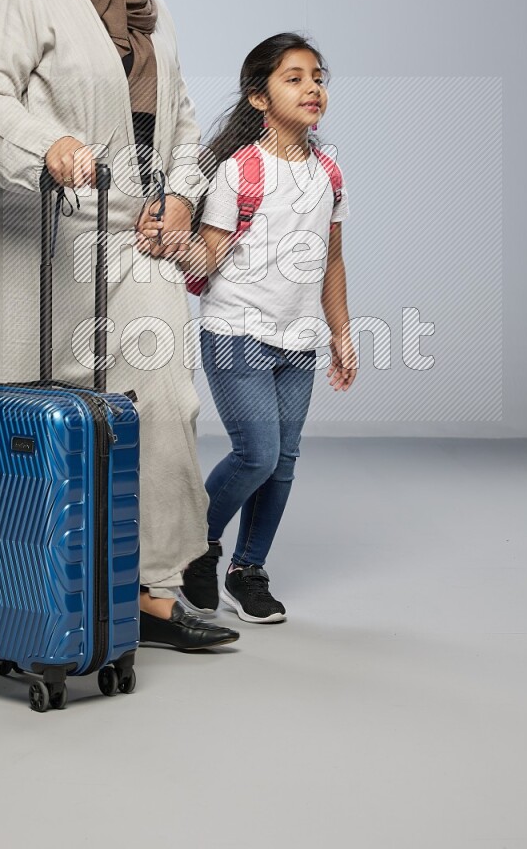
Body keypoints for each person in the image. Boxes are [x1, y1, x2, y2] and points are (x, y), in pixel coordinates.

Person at [0, 0, 238, 651]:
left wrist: (181, 198)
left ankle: (152, 590)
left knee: (164, 397)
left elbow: (182, 123)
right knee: (28, 406)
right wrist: (47, 144)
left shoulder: (153, 10)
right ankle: (18, 589)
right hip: (44, 236)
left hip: (135, 239)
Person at [179, 33, 357, 623]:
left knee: (282, 461)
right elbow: (207, 257)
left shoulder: (329, 172)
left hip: (299, 340)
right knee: (257, 453)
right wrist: (172, 244)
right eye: (294, 78)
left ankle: (246, 570)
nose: (312, 88)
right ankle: (193, 549)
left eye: (317, 77)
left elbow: (332, 260)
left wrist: (341, 333)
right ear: (259, 98)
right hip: (237, 330)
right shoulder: (240, 171)